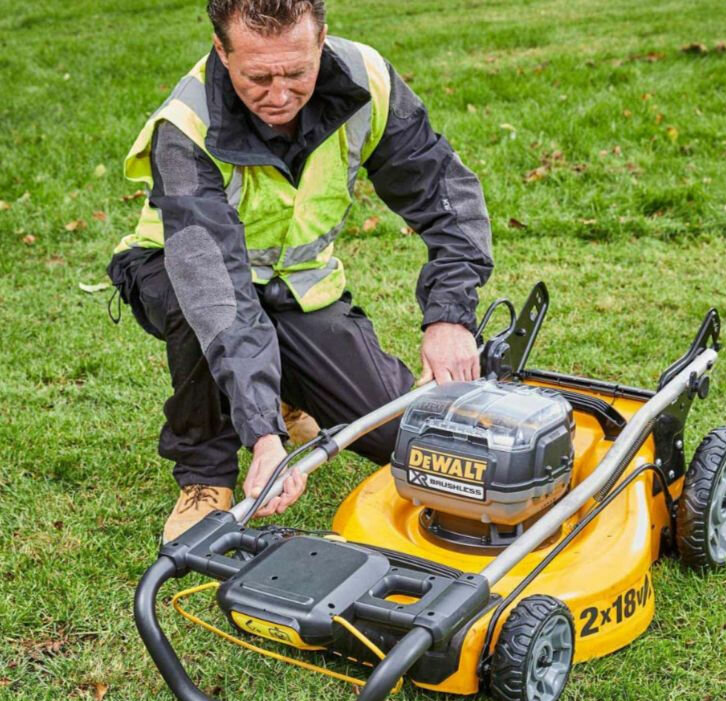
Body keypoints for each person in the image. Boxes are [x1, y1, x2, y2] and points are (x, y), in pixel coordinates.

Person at [108, 0, 493, 542]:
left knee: (400, 437)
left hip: (295, 284)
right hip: (182, 273)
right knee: (193, 307)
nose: (280, 94)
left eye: (296, 72)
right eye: (258, 77)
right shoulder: (186, 125)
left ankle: (285, 389)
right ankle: (205, 473)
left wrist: (450, 316)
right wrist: (265, 439)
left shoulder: (367, 79)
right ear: (222, 49)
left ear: (321, 40)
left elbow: (445, 195)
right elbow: (218, 295)